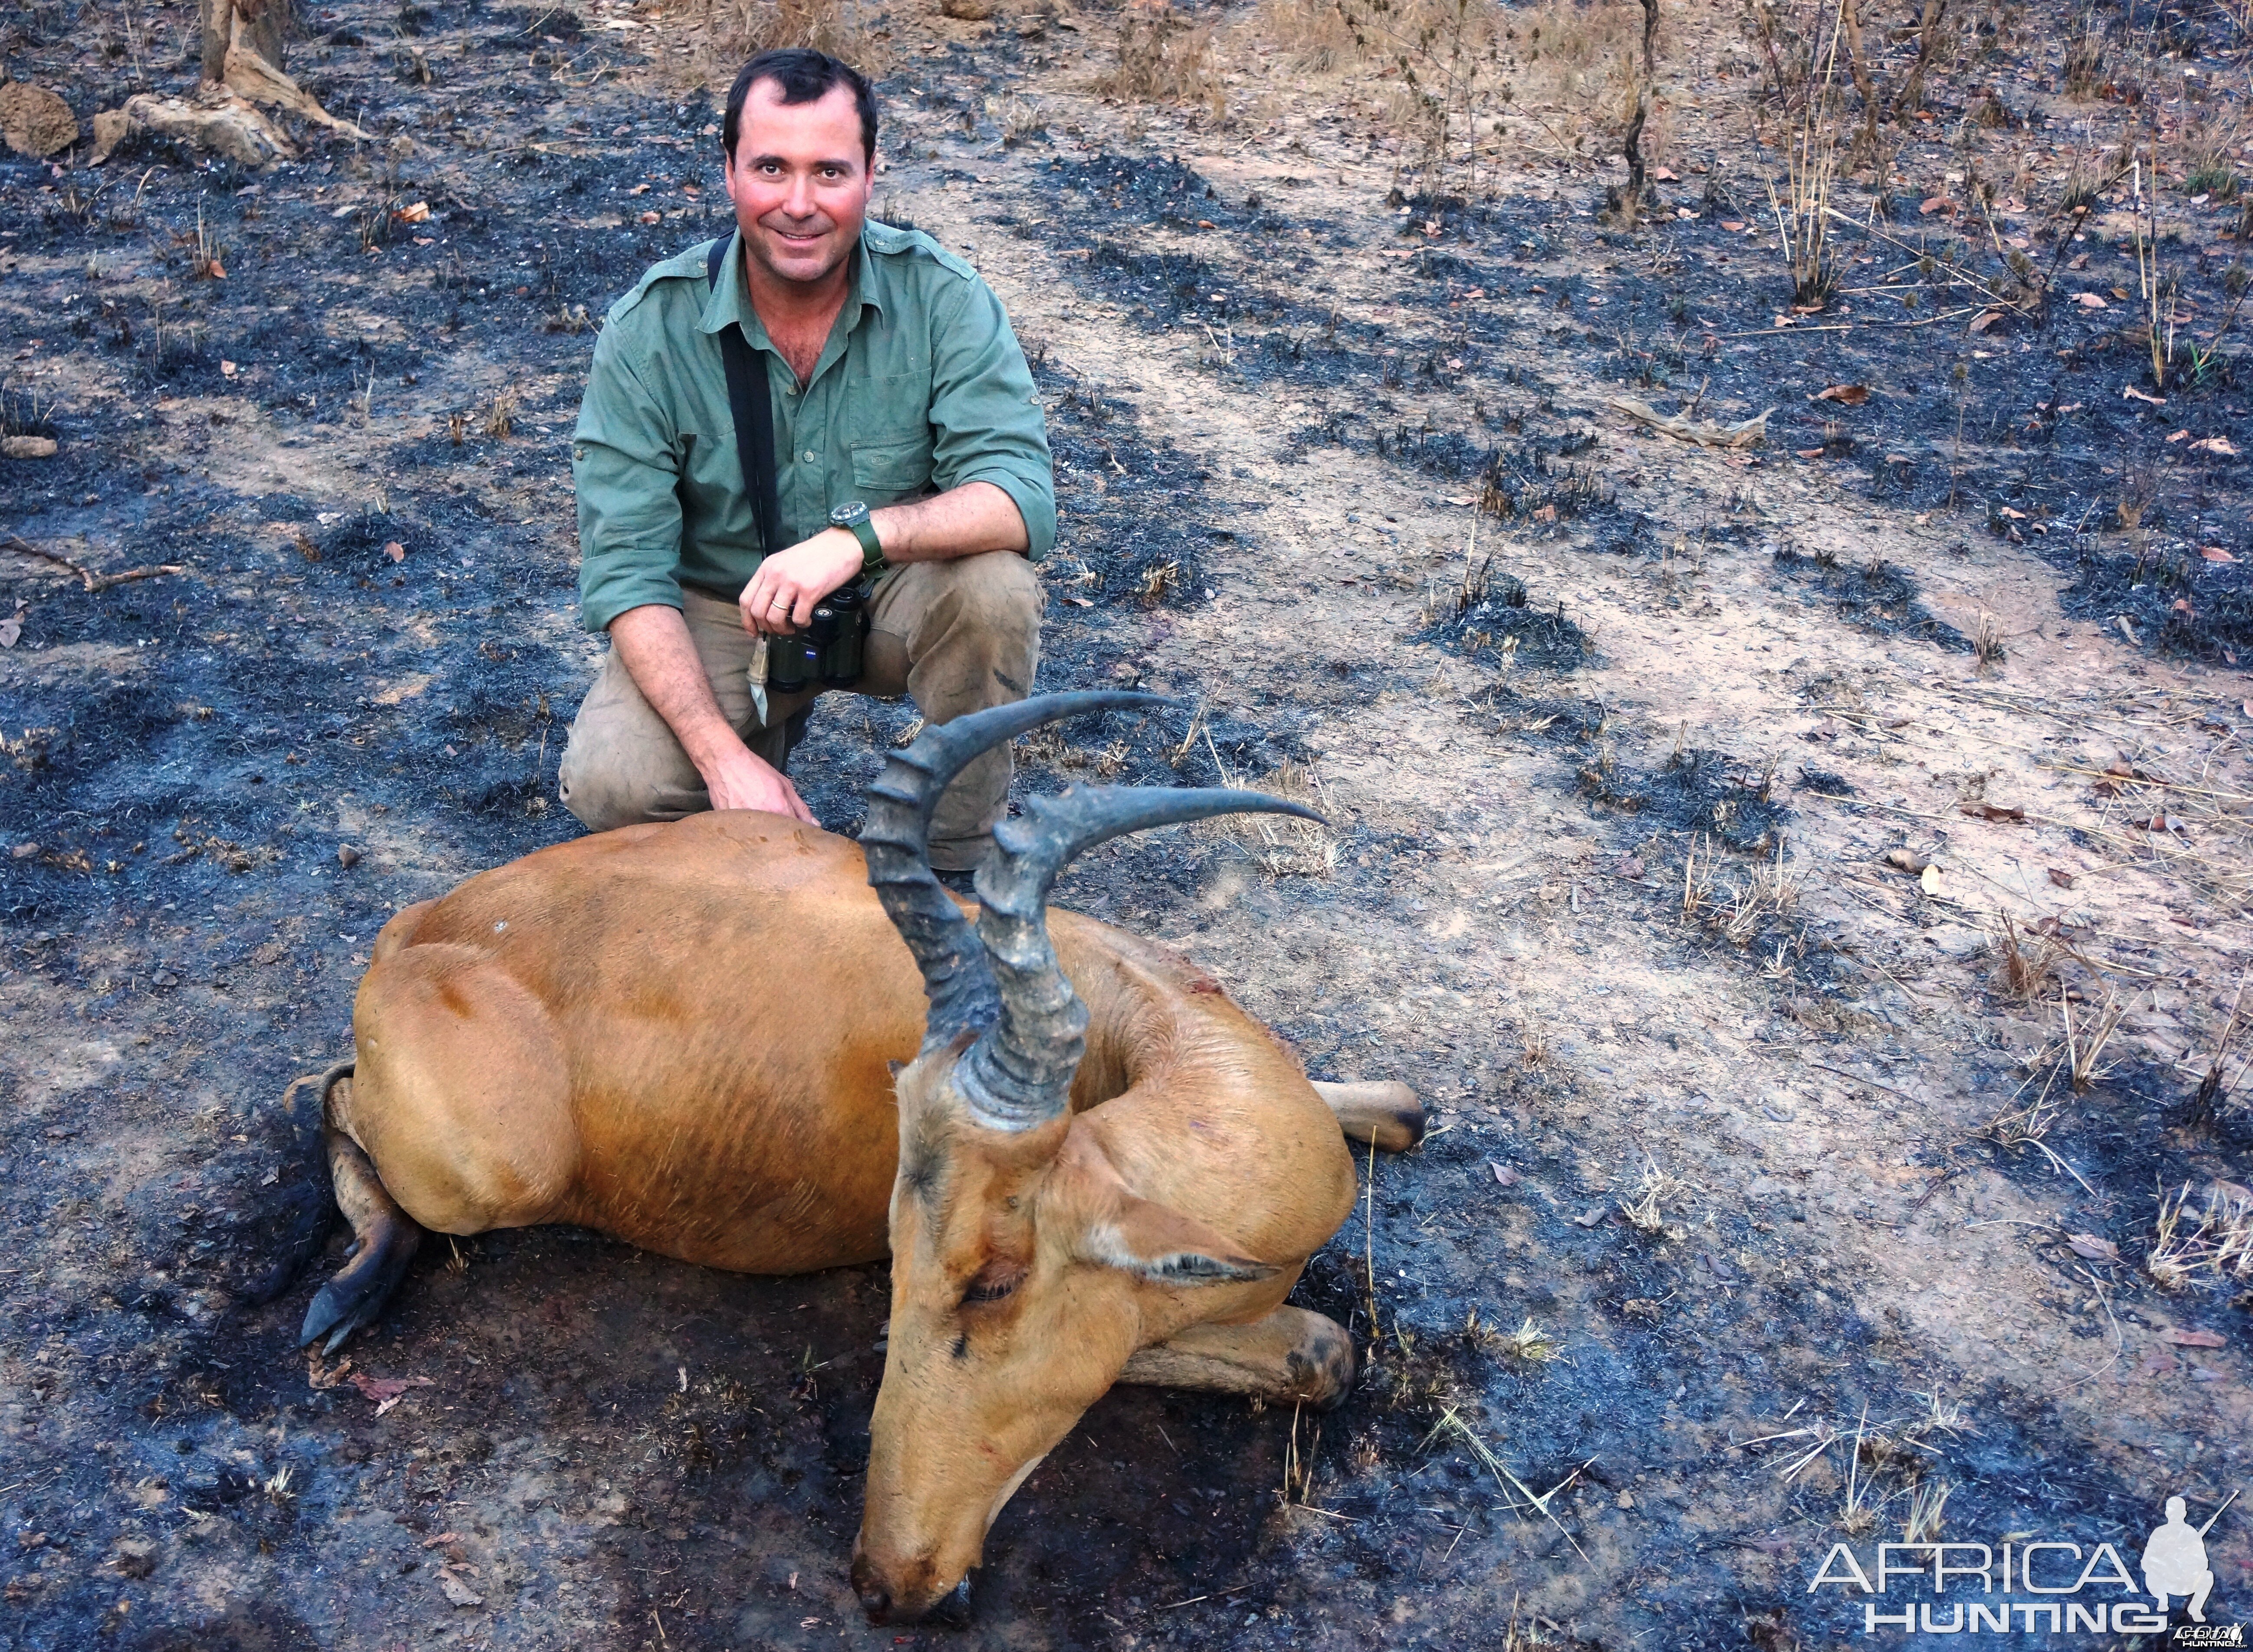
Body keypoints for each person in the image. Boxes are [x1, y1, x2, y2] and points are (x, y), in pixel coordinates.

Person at [559, 48, 1053, 872]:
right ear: (727, 172)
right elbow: (628, 576)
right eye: (770, 168)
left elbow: (1020, 498)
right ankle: (756, 756)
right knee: (619, 786)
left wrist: (856, 541)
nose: (798, 204)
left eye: (829, 171)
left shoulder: (943, 296)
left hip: (892, 594)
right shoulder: (649, 329)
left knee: (995, 588)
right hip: (725, 607)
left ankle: (945, 863)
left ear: (870, 172)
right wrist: (722, 757)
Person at [2141, 1495, 2215, 1622]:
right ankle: (2162, 1600)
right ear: (2167, 1513)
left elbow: (2204, 1563)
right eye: (2171, 1512)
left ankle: (2195, 1609)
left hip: (2186, 1582)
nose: (2175, 1515)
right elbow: (2146, 1563)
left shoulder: (2191, 1533)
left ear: (2184, 1514)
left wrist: (2186, 1562)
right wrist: (2164, 1564)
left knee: (2208, 1577)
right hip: (2163, 1582)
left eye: (2178, 1512)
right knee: (2151, 1575)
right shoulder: (2159, 1533)